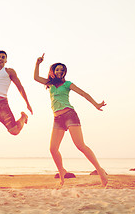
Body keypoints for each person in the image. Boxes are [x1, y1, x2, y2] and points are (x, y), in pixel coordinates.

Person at [34, 53, 108, 187]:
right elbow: (36, 77)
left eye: (62, 70)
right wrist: (38, 63)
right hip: (57, 118)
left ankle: (100, 170)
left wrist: (96, 104)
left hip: (69, 115)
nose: (60, 71)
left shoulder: (67, 84)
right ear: (53, 71)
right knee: (53, 149)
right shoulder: (49, 84)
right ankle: (61, 170)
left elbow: (84, 94)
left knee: (80, 145)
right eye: (57, 69)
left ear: (64, 73)